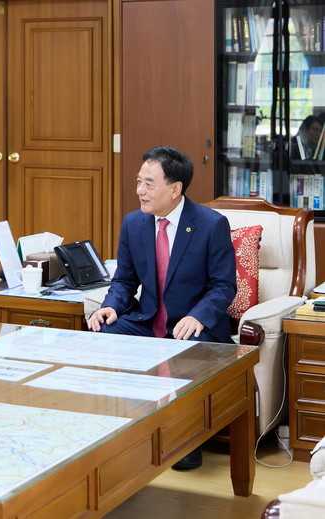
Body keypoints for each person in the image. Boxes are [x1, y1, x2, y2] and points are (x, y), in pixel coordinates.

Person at [87, 145, 236, 469]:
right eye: (138, 181)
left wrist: (198, 315)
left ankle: (185, 438)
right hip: (148, 320)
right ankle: (123, 429)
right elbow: (124, 280)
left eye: (149, 183)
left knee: (192, 347)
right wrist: (111, 306)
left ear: (175, 188)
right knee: (105, 332)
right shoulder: (134, 223)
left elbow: (223, 285)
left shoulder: (211, 224)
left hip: (192, 325)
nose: (140, 190)